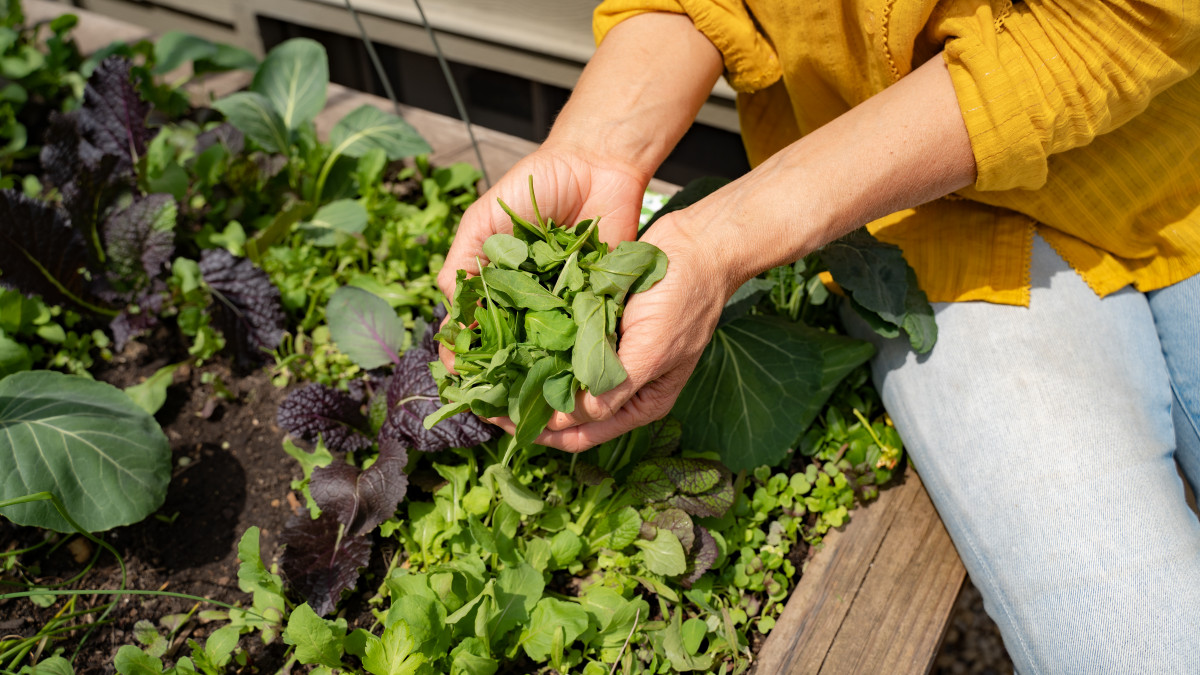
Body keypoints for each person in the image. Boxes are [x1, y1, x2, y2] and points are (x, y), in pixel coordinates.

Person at [437, 1, 1200, 672]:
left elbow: (1117, 22)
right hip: (924, 219)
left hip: (1166, 159)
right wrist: (597, 152)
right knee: (1134, 648)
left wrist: (727, 236)